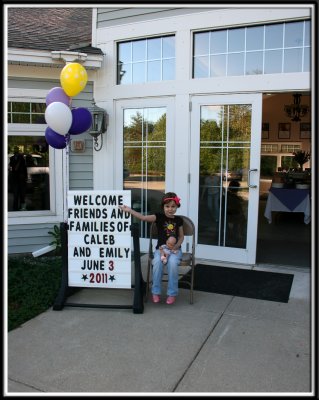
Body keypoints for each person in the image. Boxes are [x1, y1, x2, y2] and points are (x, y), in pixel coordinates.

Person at [119, 192, 184, 305]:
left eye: (173, 206)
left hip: (174, 250)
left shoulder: (178, 220)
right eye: (167, 206)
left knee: (173, 263)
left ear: (177, 207)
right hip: (161, 249)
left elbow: (182, 236)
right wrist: (129, 210)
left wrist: (176, 247)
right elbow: (143, 217)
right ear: (163, 207)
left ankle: (172, 293)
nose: (170, 209)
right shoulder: (158, 217)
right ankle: (156, 291)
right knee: (157, 262)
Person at [9, 146, 27, 211]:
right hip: (15, 179)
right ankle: (15, 208)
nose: (16, 151)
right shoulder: (12, 158)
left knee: (22, 194)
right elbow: (12, 168)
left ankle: (22, 207)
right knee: (16, 194)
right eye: (15, 150)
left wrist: (25, 177)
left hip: (21, 179)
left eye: (16, 150)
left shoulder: (21, 158)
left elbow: (24, 169)